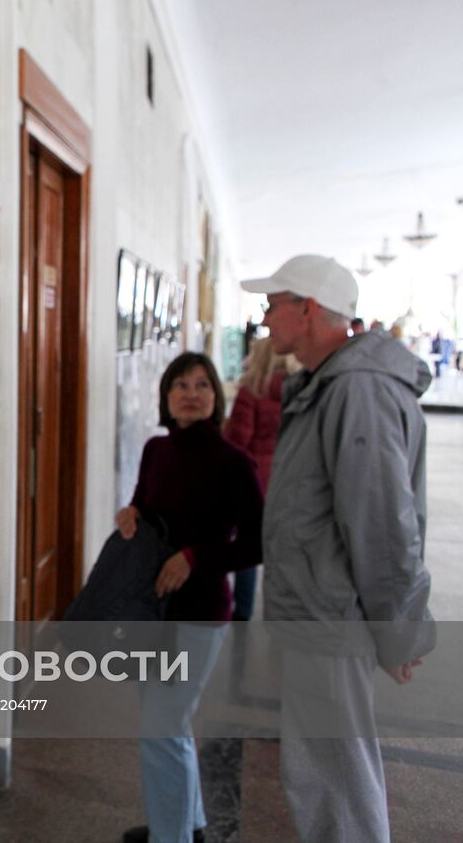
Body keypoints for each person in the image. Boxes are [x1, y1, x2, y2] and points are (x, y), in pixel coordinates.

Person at [241, 255, 434, 843]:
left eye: (273, 304)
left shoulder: (357, 389)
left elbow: (380, 523)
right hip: (318, 614)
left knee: (336, 779)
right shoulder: (333, 384)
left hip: (333, 618)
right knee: (322, 774)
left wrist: (397, 629)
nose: (265, 317)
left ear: (309, 309)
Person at [115, 352, 264, 843]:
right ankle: (186, 822)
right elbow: (144, 500)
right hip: (150, 610)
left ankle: (170, 836)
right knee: (166, 722)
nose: (191, 393)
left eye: (201, 384)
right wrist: (130, 513)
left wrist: (195, 558)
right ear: (166, 396)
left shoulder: (233, 463)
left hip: (199, 614)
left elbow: (256, 542)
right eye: (180, 384)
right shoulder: (157, 450)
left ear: (215, 397)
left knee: (163, 724)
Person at [222, 337, 299, 620]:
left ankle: (243, 612)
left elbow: (238, 440)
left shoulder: (252, 391)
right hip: (290, 478)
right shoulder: (300, 390)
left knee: (248, 548)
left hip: (254, 480)